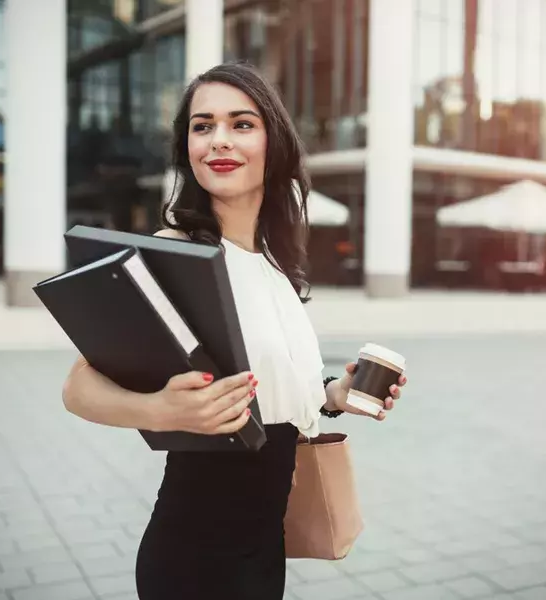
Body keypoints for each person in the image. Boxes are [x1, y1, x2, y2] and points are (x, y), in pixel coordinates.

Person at [60, 62, 408, 599]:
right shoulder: (177, 252)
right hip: (198, 553)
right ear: (188, 148)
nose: (219, 140)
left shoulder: (275, 265)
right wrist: (161, 410)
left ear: (275, 141)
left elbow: (271, 392)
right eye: (203, 126)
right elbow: (77, 387)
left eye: (241, 124)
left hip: (265, 546)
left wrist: (336, 394)